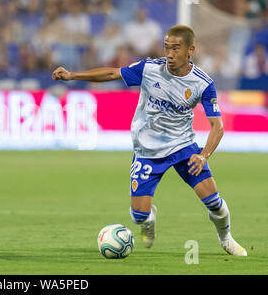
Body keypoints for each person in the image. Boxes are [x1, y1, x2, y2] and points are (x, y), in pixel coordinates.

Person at [52, 24, 247, 256]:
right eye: (167, 48)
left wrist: (203, 155)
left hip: (183, 147)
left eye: (176, 48)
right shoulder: (149, 69)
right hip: (147, 150)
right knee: (139, 216)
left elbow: (218, 127)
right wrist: (73, 75)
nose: (170, 54)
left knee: (213, 201)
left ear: (190, 50)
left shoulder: (203, 84)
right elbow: (113, 73)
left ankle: (226, 239)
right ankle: (149, 220)